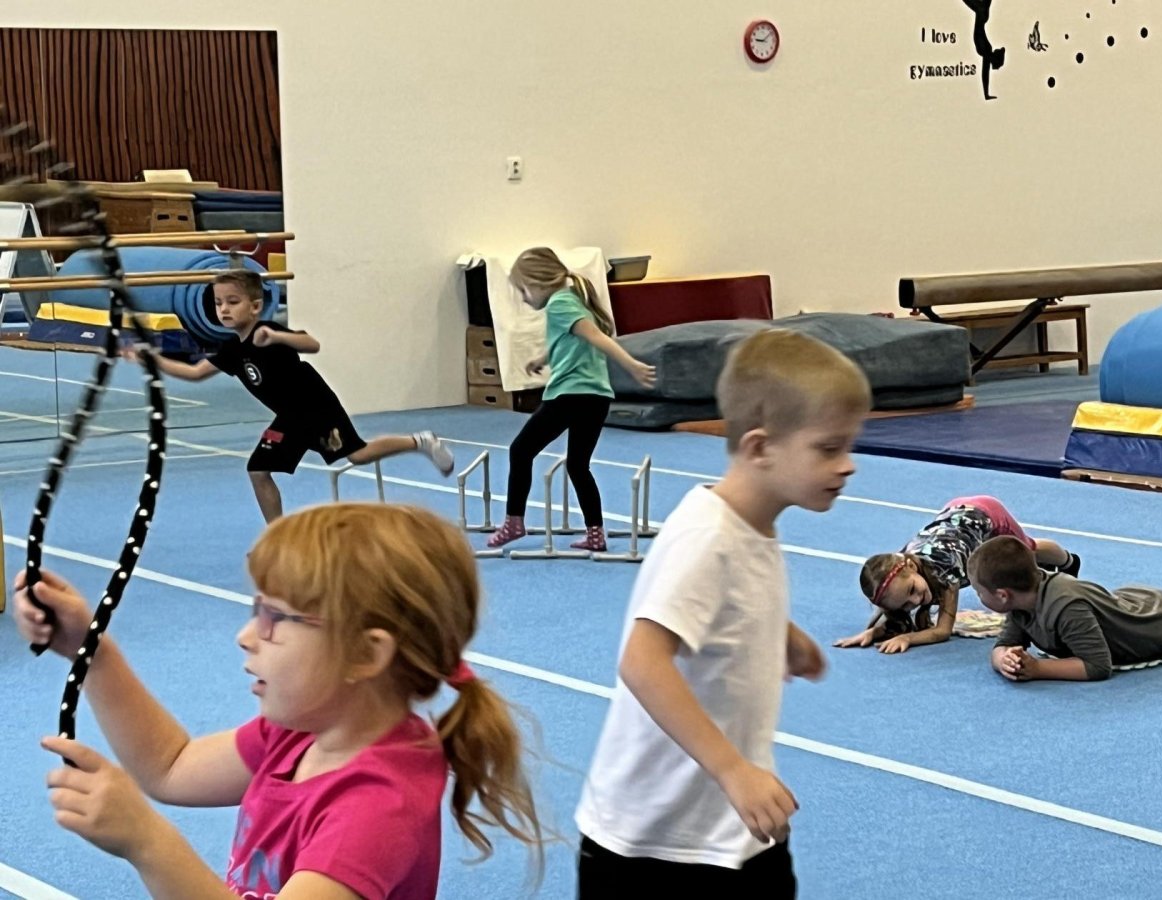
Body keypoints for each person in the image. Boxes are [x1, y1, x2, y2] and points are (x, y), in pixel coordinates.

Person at [13, 503, 541, 898]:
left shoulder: (378, 805)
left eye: (274, 618)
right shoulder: (300, 734)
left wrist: (148, 842)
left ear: (365, 653)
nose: (245, 636)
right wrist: (93, 653)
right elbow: (171, 767)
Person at [574, 329, 871, 897]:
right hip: (652, 844)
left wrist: (779, 633)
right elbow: (642, 661)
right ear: (760, 449)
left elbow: (724, 604)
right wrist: (733, 770)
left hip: (732, 827)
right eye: (828, 448)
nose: (848, 465)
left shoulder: (751, 525)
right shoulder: (708, 538)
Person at [132, 270, 454, 522]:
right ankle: (277, 535)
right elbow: (195, 373)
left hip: (316, 407)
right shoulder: (232, 349)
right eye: (219, 303)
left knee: (357, 454)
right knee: (259, 470)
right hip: (290, 417)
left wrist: (277, 337)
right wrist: (151, 359)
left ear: (255, 306)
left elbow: (312, 344)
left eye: (233, 302)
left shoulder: (268, 331)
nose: (224, 309)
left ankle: (420, 441)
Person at [487, 247, 656, 552]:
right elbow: (571, 340)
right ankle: (595, 533)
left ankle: (514, 522)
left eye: (524, 290)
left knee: (520, 451)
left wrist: (631, 365)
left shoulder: (559, 303)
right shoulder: (573, 298)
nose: (524, 298)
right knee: (578, 466)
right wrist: (543, 358)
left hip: (571, 395)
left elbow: (596, 337)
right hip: (596, 397)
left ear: (539, 283)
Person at [835, 496, 1079, 654]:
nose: (916, 601)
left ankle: (1068, 560)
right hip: (955, 513)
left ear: (911, 566)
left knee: (1026, 552)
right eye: (906, 604)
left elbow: (942, 631)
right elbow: (896, 615)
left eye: (912, 591)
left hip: (986, 514)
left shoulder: (944, 567)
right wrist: (873, 632)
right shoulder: (899, 572)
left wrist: (909, 638)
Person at [968, 534, 1162, 681]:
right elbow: (1004, 644)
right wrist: (1005, 660)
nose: (979, 596)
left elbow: (1097, 666)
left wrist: (1038, 668)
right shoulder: (1022, 601)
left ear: (1003, 595)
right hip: (1141, 604)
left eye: (979, 592)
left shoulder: (1067, 609)